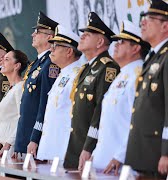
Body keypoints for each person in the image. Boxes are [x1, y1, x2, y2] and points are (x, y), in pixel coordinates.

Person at [92, 20, 150, 175]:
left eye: (122, 42)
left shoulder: (139, 76)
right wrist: (96, 153)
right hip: (106, 163)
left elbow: (139, 122)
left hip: (123, 164)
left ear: (136, 48)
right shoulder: (123, 74)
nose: (115, 45)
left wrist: (121, 155)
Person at [63, 12, 120, 170]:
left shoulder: (108, 67)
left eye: (87, 34)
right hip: (76, 145)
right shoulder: (87, 68)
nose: (81, 36)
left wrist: (89, 146)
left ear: (100, 41)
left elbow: (100, 110)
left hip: (91, 146)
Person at [125, 0, 168, 177]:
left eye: (149, 18)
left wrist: (166, 152)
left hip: (156, 152)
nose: (143, 22)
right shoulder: (153, 57)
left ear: (165, 26)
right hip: (142, 151)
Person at [14, 11, 59, 157]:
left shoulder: (50, 64)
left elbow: (45, 103)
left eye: (37, 32)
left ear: (49, 37)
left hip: (34, 140)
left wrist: (35, 137)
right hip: (24, 136)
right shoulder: (36, 64)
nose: (32, 35)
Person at [36, 25, 83, 161]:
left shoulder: (77, 76)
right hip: (52, 150)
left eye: (56, 46)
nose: (51, 49)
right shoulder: (63, 74)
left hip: (65, 151)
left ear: (69, 51)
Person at [0, 50, 29, 157]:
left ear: (17, 66)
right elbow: (6, 121)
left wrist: (8, 145)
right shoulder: (11, 88)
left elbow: (22, 119)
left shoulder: (20, 87)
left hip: (13, 147)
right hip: (3, 146)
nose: (2, 62)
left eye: (6, 59)